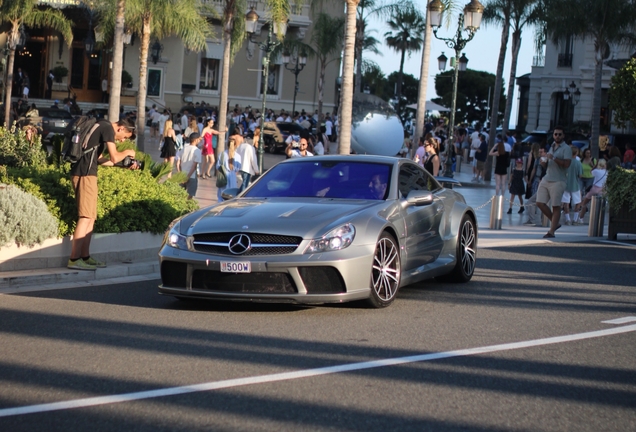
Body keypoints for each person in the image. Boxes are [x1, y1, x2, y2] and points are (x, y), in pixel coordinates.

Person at [68, 119, 137, 270]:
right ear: (121, 128)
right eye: (125, 136)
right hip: (84, 174)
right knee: (85, 217)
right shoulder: (107, 128)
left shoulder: (101, 126)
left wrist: (123, 165)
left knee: (91, 217)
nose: (122, 140)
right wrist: (127, 152)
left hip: (88, 173)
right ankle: (74, 259)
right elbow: (114, 156)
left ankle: (85, 257)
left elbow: (99, 159)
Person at [536, 126, 572, 238]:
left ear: (563, 135)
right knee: (539, 202)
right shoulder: (551, 146)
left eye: (560, 134)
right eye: (555, 134)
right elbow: (549, 162)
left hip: (559, 180)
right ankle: (555, 223)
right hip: (547, 178)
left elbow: (567, 164)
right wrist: (544, 163)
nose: (557, 136)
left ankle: (551, 231)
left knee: (556, 206)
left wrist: (554, 158)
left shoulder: (566, 148)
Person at [523, 148, 549, 226]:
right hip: (539, 181)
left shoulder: (547, 161)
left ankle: (535, 220)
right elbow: (534, 169)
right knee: (539, 201)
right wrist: (530, 180)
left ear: (546, 152)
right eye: (539, 152)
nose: (540, 153)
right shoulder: (538, 159)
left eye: (541, 152)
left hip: (543, 183)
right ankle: (543, 220)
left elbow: (545, 173)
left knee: (534, 201)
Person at [578, 158, 608, 223]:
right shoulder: (607, 172)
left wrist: (594, 165)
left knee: (584, 203)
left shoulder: (596, 171)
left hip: (594, 189)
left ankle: (581, 218)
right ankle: (601, 220)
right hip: (603, 190)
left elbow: (591, 172)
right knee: (602, 205)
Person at [176, 133, 202, 200]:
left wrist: (180, 173)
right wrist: (187, 177)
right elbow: (194, 166)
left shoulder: (183, 149)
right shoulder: (197, 151)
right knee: (190, 195)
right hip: (192, 176)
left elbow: (178, 163)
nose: (200, 141)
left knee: (180, 194)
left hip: (182, 174)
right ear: (195, 140)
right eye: (199, 139)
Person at [561, 147, 583, 225]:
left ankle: (568, 219)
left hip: (565, 184)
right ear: (576, 153)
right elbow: (580, 175)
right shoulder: (578, 163)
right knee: (577, 202)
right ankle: (575, 219)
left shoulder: (565, 162)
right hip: (575, 184)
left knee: (566, 202)